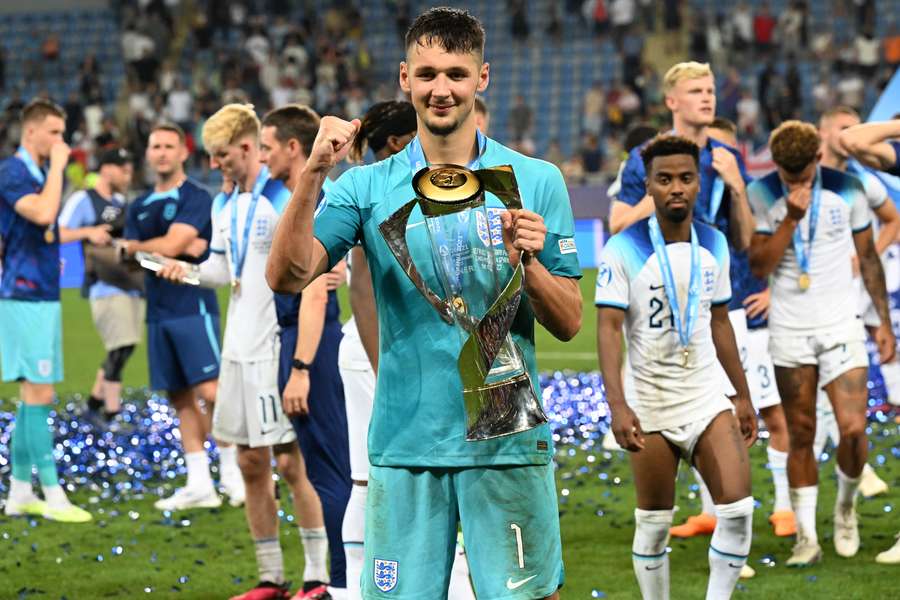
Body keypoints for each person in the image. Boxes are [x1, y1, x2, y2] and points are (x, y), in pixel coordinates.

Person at [266, 8, 582, 599]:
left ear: (482, 78)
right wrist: (312, 173)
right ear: (405, 77)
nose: (443, 90)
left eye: (457, 75)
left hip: (505, 441)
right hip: (407, 441)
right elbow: (288, 274)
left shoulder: (535, 179)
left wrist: (530, 264)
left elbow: (567, 321)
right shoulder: (365, 186)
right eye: (429, 73)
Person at [158, 104, 331, 600]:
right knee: (251, 464)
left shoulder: (284, 198)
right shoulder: (223, 205)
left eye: (222, 156)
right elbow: (221, 270)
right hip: (236, 350)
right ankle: (270, 579)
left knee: (293, 464)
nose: (216, 166)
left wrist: (300, 360)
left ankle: (317, 576)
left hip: (273, 347)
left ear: (249, 148)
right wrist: (184, 269)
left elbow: (306, 269)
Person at [596, 135, 757, 600]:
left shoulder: (715, 243)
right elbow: (608, 330)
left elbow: (720, 321)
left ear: (698, 182)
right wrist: (618, 405)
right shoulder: (622, 249)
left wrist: (742, 394)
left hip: (706, 395)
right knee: (653, 525)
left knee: (738, 510)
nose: (676, 189)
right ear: (647, 184)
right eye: (664, 179)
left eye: (686, 178)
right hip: (649, 402)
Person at [608, 62, 759, 542]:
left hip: (716, 292)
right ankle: (710, 518)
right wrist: (669, 184)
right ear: (672, 100)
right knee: (673, 420)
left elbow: (747, 238)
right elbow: (617, 225)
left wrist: (735, 184)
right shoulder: (643, 158)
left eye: (711, 89)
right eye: (696, 90)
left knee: (736, 416)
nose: (707, 98)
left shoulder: (727, 154)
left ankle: (727, 521)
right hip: (658, 296)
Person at [341, 100, 475, 600]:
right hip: (377, 353)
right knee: (369, 479)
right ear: (401, 140)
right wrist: (385, 372)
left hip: (398, 352)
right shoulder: (379, 187)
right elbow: (359, 288)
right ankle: (360, 579)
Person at [748, 120, 895, 566]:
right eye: (787, 174)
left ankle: (846, 507)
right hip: (790, 329)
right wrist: (790, 218)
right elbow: (759, 264)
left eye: (803, 172)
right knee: (802, 434)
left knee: (853, 429)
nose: (795, 182)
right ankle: (807, 538)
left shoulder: (848, 188)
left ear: (817, 158)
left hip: (841, 325)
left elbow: (869, 258)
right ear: (776, 165)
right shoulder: (761, 193)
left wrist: (883, 321)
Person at [122, 122, 244, 511]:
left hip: (193, 306)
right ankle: (199, 483)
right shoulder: (138, 205)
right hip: (157, 309)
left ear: (182, 153)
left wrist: (146, 248)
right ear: (148, 153)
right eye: (155, 145)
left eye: (168, 146)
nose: (160, 152)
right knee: (179, 397)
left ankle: (233, 473)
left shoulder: (196, 195)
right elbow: (135, 258)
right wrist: (170, 247)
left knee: (211, 391)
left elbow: (159, 247)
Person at [261, 103, 351, 600]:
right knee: (322, 469)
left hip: (311, 345)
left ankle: (339, 583)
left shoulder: (322, 200)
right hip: (300, 341)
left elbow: (317, 289)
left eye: (269, 147)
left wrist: (299, 368)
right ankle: (335, 578)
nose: (262, 158)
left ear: (295, 148)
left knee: (331, 471)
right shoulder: (302, 198)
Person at [0, 98, 91, 523]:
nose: (61, 142)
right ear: (31, 131)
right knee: (39, 392)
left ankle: (19, 491)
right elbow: (42, 213)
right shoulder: (14, 171)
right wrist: (57, 167)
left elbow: (46, 228)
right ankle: (53, 494)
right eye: (54, 133)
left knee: (31, 397)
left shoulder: (32, 172)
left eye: (62, 133)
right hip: (24, 295)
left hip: (41, 292)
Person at [705, 117, 795, 539]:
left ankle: (783, 507)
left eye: (723, 150)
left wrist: (776, 293)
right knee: (716, 423)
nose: (715, 159)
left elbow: (790, 246)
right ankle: (718, 517)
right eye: (709, 151)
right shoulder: (698, 200)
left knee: (773, 414)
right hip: (713, 323)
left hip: (753, 320)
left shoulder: (753, 195)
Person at [814, 106, 895, 498]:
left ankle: (851, 477)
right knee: (815, 398)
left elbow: (893, 220)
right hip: (811, 297)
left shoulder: (863, 179)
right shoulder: (801, 177)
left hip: (854, 296)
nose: (852, 135)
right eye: (844, 127)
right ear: (822, 132)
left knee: (844, 388)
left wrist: (865, 258)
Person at [58, 147, 141, 425]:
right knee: (121, 346)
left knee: (124, 346)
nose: (128, 176)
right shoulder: (84, 199)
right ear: (107, 169)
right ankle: (112, 412)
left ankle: (93, 405)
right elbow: (58, 231)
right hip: (103, 284)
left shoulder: (120, 201)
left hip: (129, 282)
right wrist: (88, 232)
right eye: (123, 170)